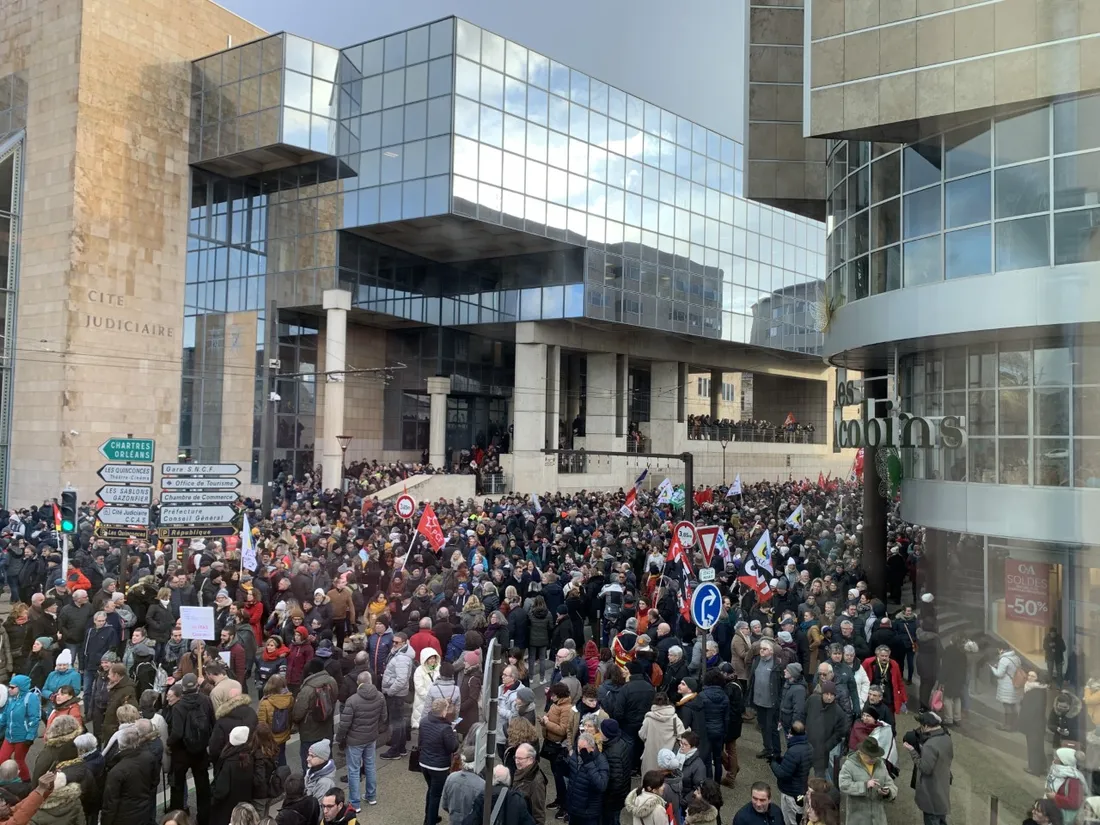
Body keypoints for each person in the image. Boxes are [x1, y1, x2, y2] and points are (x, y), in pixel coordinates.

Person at [335, 669, 387, 810]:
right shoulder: (380, 697)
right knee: (370, 766)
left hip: (354, 741)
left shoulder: (352, 700)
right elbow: (383, 718)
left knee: (354, 770)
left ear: (359, 683)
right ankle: (371, 796)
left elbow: (344, 724)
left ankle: (355, 803)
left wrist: (339, 739)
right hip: (371, 737)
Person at [167, 674, 215, 823]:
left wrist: (169, 744)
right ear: (197, 686)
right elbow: (212, 723)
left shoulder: (178, 707)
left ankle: (177, 818)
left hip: (181, 753)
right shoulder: (206, 700)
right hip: (200, 751)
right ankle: (204, 818)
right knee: (203, 786)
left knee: (178, 788)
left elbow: (177, 733)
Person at [101, 725, 159, 825]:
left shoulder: (116, 771)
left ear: (120, 744)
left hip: (123, 817)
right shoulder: (149, 757)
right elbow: (154, 781)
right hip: (143, 809)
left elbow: (110, 803)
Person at [905, 712, 953, 824]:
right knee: (941, 819)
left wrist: (913, 751)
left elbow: (925, 768)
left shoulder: (930, 745)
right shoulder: (946, 737)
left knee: (932, 819)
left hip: (931, 793)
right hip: (942, 788)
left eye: (921, 725)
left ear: (926, 726)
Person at [838, 738, 897, 825]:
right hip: (858, 819)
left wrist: (888, 792)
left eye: (875, 756)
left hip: (878, 819)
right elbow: (843, 785)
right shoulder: (849, 765)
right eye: (871, 756)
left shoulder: (880, 764)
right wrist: (865, 786)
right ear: (862, 753)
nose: (873, 759)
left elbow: (890, 783)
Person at [293, 660, 338, 770]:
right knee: (326, 759)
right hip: (327, 729)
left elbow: (298, 713)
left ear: (310, 673)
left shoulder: (307, 689)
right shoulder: (332, 681)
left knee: (309, 763)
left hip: (310, 733)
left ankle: (310, 785)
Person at [419, 697, 458, 825]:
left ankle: (429, 817)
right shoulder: (445, 728)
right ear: (443, 711)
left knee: (431, 790)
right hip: (438, 767)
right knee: (435, 795)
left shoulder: (424, 721)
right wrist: (454, 733)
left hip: (424, 763)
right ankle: (430, 821)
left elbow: (420, 742)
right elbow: (453, 747)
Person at [379, 632, 414, 760]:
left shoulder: (402, 658)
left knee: (396, 723)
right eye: (393, 641)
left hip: (396, 695)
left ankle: (395, 750)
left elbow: (401, 679)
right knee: (400, 721)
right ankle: (401, 747)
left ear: (404, 643)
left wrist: (390, 691)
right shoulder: (399, 654)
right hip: (397, 693)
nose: (393, 644)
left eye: (397, 642)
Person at [770, 720, 811, 825]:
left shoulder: (794, 751)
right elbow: (797, 764)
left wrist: (773, 762)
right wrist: (782, 760)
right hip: (800, 792)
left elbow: (782, 774)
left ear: (793, 734)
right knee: (798, 816)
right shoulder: (808, 747)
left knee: (790, 820)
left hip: (790, 794)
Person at [464, 764, 535, 825]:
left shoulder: (483, 797)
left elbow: (471, 821)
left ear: (492, 779)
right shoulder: (517, 799)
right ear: (509, 779)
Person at [209, 679, 258, 768]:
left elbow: (214, 748)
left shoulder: (222, 720)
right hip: (249, 759)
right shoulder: (252, 713)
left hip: (227, 762)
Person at [211, 726, 254, 825]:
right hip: (244, 801)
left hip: (227, 806)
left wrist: (213, 798)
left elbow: (221, 790)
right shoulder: (250, 757)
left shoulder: (228, 762)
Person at [748, 641, 783, 760]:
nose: (761, 651)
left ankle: (777, 752)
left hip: (771, 703)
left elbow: (781, 684)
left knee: (772, 728)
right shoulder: (756, 661)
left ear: (771, 651)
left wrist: (779, 701)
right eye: (761, 649)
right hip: (758, 701)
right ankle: (767, 749)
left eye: (765, 649)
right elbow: (752, 678)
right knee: (762, 726)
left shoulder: (777, 663)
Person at [565, 732, 609, 825]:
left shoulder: (601, 761)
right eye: (578, 747)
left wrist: (588, 763)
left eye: (583, 749)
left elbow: (601, 785)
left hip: (588, 813)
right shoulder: (575, 755)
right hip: (574, 809)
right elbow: (572, 776)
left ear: (592, 748)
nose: (579, 751)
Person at [0, 676, 38, 781]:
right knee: (1, 759)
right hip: (9, 736)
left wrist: (30, 736)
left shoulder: (31, 698)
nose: (9, 689)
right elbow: (4, 718)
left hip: (23, 737)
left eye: (12, 687)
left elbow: (34, 719)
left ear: (20, 687)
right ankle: (8, 780)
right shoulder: (11, 699)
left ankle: (26, 781)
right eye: (9, 687)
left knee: (19, 761)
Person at [639, 692, 682, 776]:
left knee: (649, 782)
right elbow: (682, 735)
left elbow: (642, 735)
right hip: (667, 760)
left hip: (650, 757)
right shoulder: (675, 719)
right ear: (668, 701)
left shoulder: (648, 719)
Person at [601, 719, 632, 825]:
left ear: (606, 734)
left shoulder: (613, 752)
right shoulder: (620, 742)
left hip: (613, 800)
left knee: (611, 821)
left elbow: (616, 781)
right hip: (619, 796)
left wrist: (606, 798)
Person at [1022, 672, 1052, 776]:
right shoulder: (1036, 689)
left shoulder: (1036, 691)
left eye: (1033, 676)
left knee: (1033, 746)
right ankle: (1041, 767)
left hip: (1034, 723)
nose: (1029, 677)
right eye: (1029, 675)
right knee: (1038, 746)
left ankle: (1034, 769)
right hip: (1037, 723)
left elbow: (1034, 709)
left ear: (1038, 679)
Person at [1046, 748, 1087, 823]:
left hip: (1064, 818)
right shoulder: (1057, 772)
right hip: (1054, 812)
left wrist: (1055, 797)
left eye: (1057, 757)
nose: (1054, 759)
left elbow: (1075, 803)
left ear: (1063, 761)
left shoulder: (1074, 780)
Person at [512, 742, 548, 825]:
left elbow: (538, 814)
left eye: (520, 759)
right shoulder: (521, 771)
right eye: (516, 758)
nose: (517, 761)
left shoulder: (536, 782)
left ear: (531, 759)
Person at [992, 645, 1025, 732]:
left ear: (1001, 649)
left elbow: (999, 674)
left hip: (1006, 686)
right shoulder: (1016, 657)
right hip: (1015, 684)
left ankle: (1007, 726)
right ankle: (1015, 725)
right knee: (1013, 705)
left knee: (1007, 706)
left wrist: (993, 668)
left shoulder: (1004, 659)